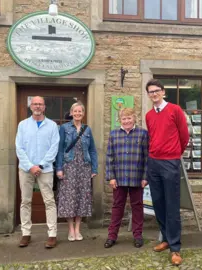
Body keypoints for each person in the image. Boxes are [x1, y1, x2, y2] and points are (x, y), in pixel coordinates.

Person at [145, 79, 189, 266]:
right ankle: (165, 238)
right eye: (150, 92)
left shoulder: (175, 110)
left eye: (156, 91)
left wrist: (174, 154)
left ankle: (175, 248)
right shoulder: (148, 115)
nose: (154, 94)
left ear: (163, 92)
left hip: (170, 162)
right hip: (153, 162)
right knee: (158, 203)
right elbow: (153, 136)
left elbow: (184, 135)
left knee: (172, 205)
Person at [15, 96, 60, 249]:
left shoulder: (52, 126)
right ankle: (26, 233)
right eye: (35, 104)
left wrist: (40, 165)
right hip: (26, 169)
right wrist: (30, 166)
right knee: (25, 201)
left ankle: (52, 234)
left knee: (49, 201)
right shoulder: (23, 125)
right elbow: (19, 148)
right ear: (30, 106)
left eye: (40, 104)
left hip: (45, 169)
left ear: (44, 107)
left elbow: (54, 148)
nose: (38, 106)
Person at [104, 108, 149, 249]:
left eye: (129, 118)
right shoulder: (114, 134)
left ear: (134, 118)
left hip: (137, 177)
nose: (127, 121)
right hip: (119, 178)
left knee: (137, 207)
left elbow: (147, 158)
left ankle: (137, 236)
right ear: (120, 120)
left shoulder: (143, 134)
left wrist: (145, 177)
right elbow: (109, 157)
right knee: (117, 207)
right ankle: (112, 236)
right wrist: (111, 177)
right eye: (124, 119)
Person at [56, 102, 98, 242]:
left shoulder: (87, 130)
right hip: (69, 167)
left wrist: (94, 168)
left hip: (84, 167)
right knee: (69, 198)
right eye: (75, 111)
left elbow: (92, 150)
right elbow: (60, 149)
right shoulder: (64, 128)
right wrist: (59, 168)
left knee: (82, 197)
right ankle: (70, 229)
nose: (78, 113)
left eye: (80, 111)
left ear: (83, 113)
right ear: (71, 112)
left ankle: (78, 228)